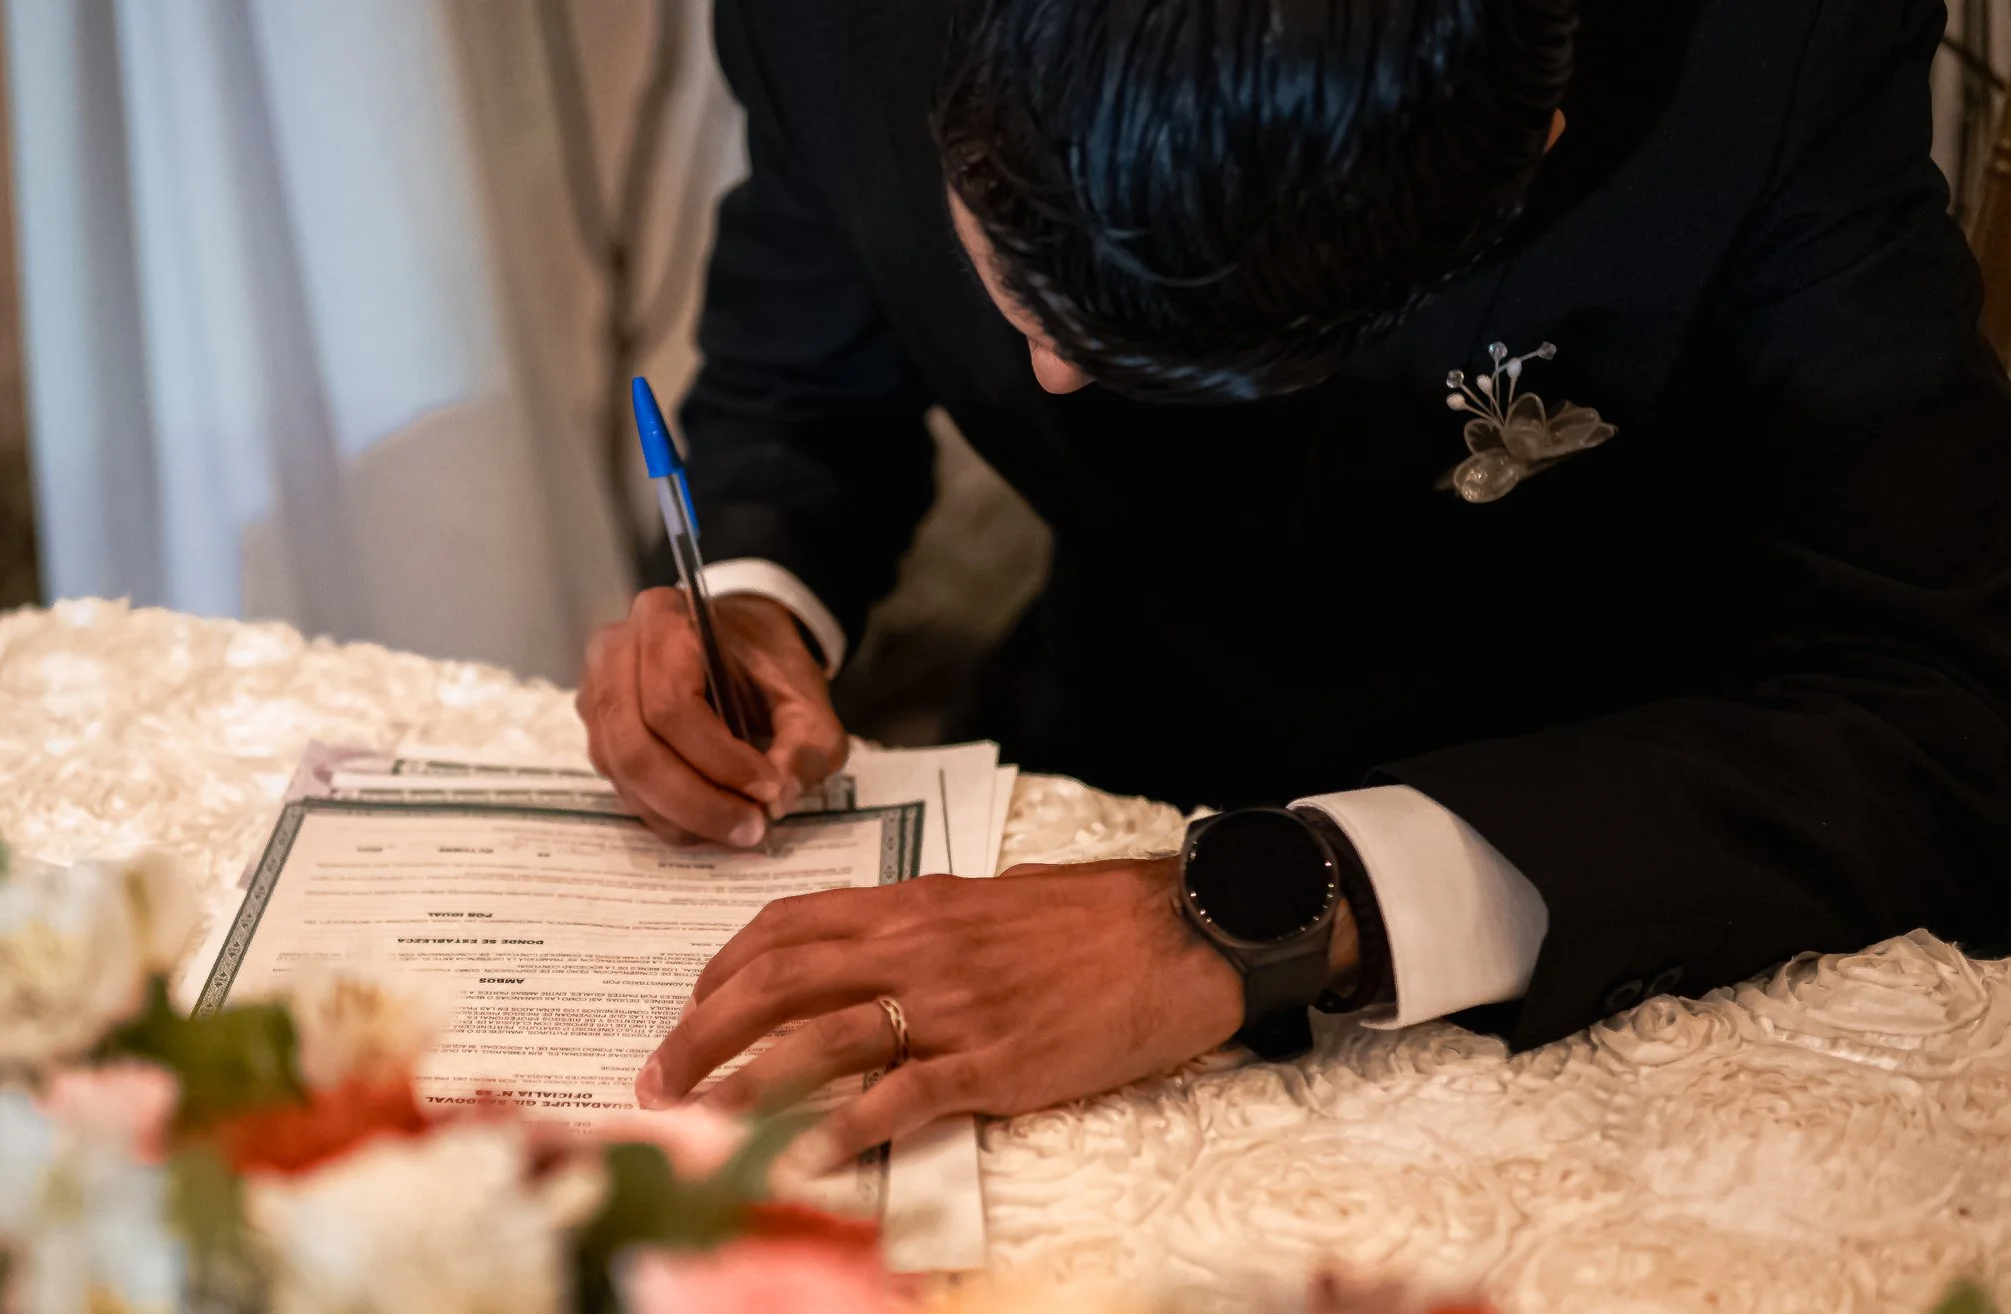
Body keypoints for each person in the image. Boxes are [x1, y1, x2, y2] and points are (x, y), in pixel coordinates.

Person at [577, 0, 2011, 1176]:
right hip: (1097, 734)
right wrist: (754, 596)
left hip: (1617, 850)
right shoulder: (832, 23)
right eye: (1009, 283)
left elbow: (1937, 711)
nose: (1049, 376)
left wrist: (1260, 918)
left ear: (1529, 148)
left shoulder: (1770, 49)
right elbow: (799, 377)